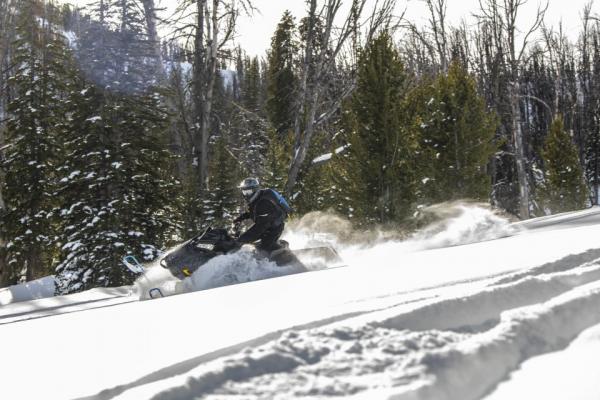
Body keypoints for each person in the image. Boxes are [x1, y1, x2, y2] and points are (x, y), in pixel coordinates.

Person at [233, 177, 291, 253]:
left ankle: (284, 251)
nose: (246, 195)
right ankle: (279, 244)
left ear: (255, 190)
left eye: (248, 192)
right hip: (267, 225)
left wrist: (241, 241)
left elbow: (259, 227)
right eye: (244, 192)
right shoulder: (258, 198)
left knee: (265, 248)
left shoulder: (264, 203)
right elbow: (255, 212)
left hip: (274, 228)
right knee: (255, 244)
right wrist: (241, 218)